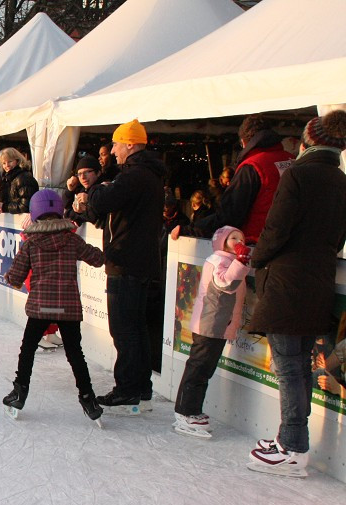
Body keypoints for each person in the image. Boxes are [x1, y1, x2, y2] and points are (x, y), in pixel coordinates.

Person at [246, 110, 346, 477]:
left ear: (309, 140)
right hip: (317, 282)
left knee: (288, 368)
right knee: (299, 365)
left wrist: (258, 258)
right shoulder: (341, 180)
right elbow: (338, 238)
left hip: (288, 283)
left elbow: (276, 228)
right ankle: (292, 440)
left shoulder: (298, 176)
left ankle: (292, 445)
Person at [76, 119, 166, 413]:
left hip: (126, 260)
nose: (112, 151)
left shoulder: (135, 175)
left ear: (130, 143)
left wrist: (93, 192)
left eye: (115, 144)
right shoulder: (147, 174)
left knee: (124, 328)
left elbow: (103, 201)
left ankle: (128, 387)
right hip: (138, 260)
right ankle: (140, 386)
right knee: (136, 327)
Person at [2, 189, 106, 421]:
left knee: (28, 350)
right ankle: (88, 398)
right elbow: (97, 259)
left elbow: (16, 277)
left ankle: (20, 391)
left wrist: (9, 278)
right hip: (68, 307)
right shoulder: (72, 240)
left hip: (40, 307)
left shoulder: (31, 243)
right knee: (75, 353)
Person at [173, 227, 251, 439]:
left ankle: (189, 409)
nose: (238, 241)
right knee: (199, 368)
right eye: (233, 238)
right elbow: (225, 283)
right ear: (222, 242)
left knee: (203, 369)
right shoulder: (219, 260)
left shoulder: (229, 260)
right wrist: (241, 262)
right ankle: (185, 412)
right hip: (211, 323)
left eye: (242, 238)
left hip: (218, 324)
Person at [173, 114, 295, 244]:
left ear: (244, 142)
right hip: (293, 242)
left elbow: (229, 215)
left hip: (257, 245)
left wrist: (190, 229)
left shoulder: (253, 167)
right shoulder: (292, 160)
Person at [0, 148, 38, 215]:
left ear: (17, 161)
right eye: (4, 163)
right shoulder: (9, 178)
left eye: (10, 161)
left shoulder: (23, 178)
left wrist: (4, 207)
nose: (7, 165)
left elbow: (25, 205)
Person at [63, 156, 100, 225]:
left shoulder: (103, 190)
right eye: (79, 174)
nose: (83, 177)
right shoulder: (80, 189)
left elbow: (96, 216)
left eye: (87, 172)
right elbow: (65, 207)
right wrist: (70, 190)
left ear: (98, 173)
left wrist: (83, 211)